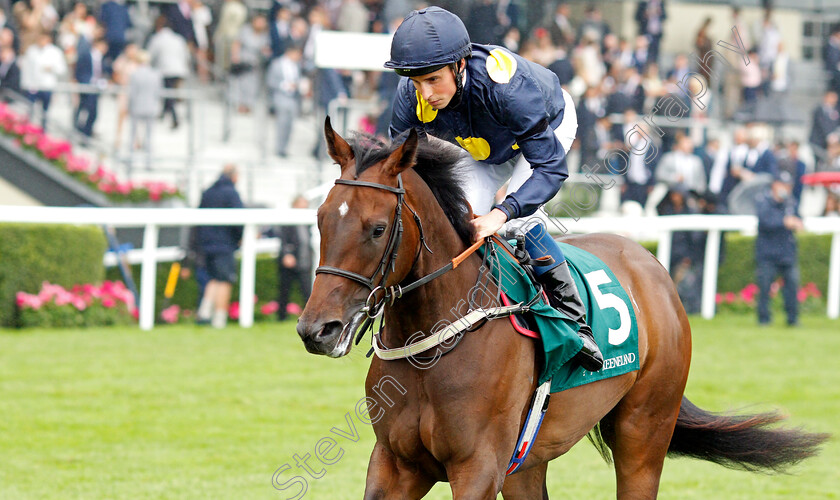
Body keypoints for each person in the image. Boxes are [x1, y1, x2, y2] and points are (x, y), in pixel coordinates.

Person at [386, 7, 602, 371]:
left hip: (544, 128)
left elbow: (550, 167)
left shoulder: (508, 89)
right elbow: (399, 166)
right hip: (482, 144)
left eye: (433, 80)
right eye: (416, 82)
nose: (425, 93)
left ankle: (574, 324)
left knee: (519, 223)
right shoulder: (412, 95)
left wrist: (502, 213)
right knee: (457, 222)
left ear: (459, 65)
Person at [196, 164, 244, 328]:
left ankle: (204, 311)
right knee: (225, 280)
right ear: (234, 176)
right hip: (224, 244)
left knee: (213, 278)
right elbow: (240, 219)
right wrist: (239, 238)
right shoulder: (231, 193)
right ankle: (219, 318)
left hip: (207, 244)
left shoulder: (208, 191)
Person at [755, 172, 802, 326]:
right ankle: (764, 319)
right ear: (775, 185)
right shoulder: (764, 201)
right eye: (783, 185)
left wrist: (798, 222)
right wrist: (783, 222)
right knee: (764, 287)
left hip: (787, 253)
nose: (786, 189)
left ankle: (792, 319)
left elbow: (799, 218)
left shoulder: (791, 203)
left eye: (789, 186)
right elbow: (764, 221)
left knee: (792, 287)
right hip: (768, 253)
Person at [147, 15, 190, 129]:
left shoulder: (157, 38)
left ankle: (175, 118)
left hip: (165, 70)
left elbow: (150, 55)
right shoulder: (178, 38)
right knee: (169, 94)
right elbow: (185, 54)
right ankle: (163, 115)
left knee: (168, 95)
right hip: (179, 70)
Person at [276, 196, 312, 321]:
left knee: (307, 291)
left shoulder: (307, 221)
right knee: (284, 291)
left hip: (304, 261)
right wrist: (287, 254)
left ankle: (309, 317)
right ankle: (281, 317)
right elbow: (283, 239)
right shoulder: (288, 219)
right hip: (290, 261)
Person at [266, 43, 301, 157]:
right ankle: (279, 148)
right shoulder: (277, 64)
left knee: (290, 125)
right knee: (281, 123)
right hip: (280, 97)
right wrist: (285, 85)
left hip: (293, 98)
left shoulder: (297, 66)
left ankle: (284, 148)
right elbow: (270, 81)